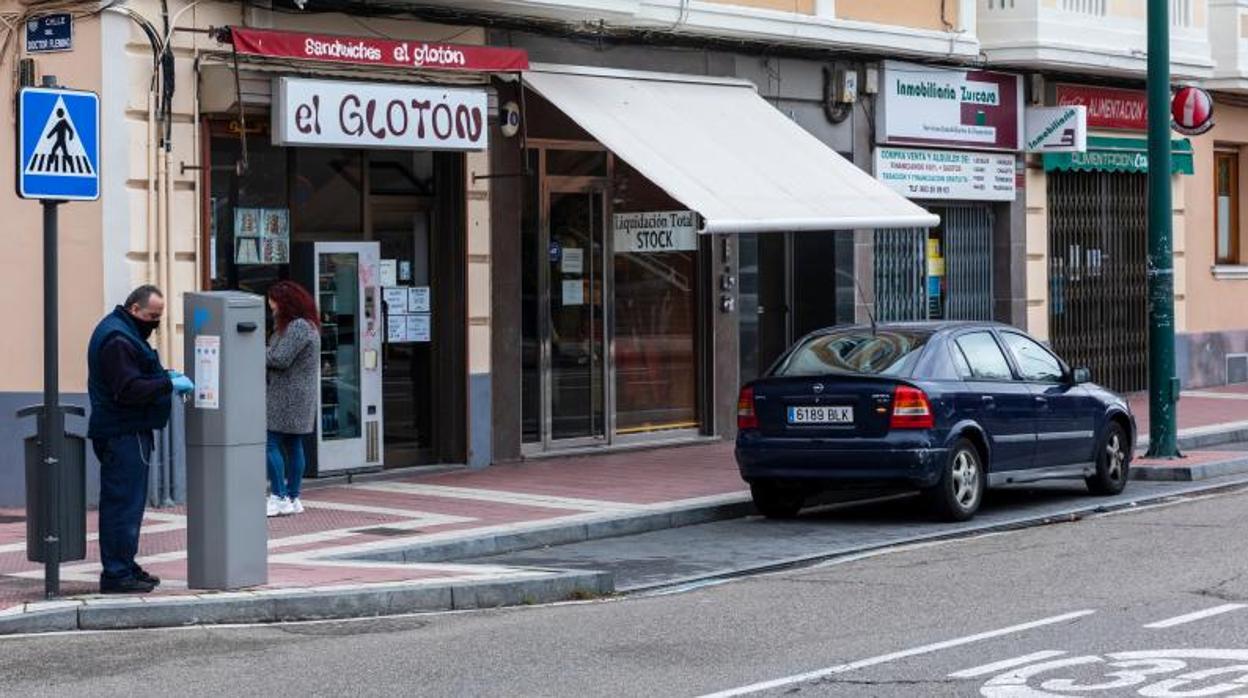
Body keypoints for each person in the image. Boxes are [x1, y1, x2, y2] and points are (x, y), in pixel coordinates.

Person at [86, 285, 193, 594]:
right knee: (123, 506)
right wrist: (166, 384)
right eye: (152, 316)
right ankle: (117, 574)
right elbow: (129, 388)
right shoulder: (117, 338)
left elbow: (137, 375)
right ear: (134, 309)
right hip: (123, 432)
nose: (155, 322)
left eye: (159, 316)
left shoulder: (123, 332)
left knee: (128, 505)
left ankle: (125, 565)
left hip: (126, 431)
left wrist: (165, 376)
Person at [265, 281, 321, 517]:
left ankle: (279, 496)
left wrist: (253, 350)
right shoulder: (306, 325)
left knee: (269, 443)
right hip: (297, 396)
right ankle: (293, 496)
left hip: (287, 396)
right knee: (293, 445)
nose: (271, 306)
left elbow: (279, 358)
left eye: (273, 301)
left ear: (284, 303)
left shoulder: (297, 327)